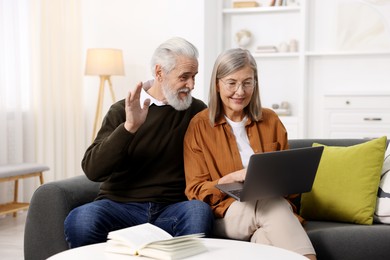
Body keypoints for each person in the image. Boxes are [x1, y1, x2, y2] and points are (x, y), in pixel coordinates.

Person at [64, 37, 214, 248]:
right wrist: (129, 127)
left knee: (199, 211)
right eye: (185, 77)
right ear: (159, 72)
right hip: (120, 205)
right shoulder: (122, 110)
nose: (191, 85)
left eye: (194, 77)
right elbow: (93, 170)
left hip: (172, 208)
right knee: (82, 219)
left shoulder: (197, 111)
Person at [183, 48, 316, 259]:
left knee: (265, 237)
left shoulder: (270, 120)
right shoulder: (199, 126)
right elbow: (195, 191)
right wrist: (232, 178)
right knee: (270, 204)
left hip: (273, 210)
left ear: (255, 83)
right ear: (217, 84)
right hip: (226, 214)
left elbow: (290, 187)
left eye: (247, 82)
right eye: (232, 82)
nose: (240, 91)